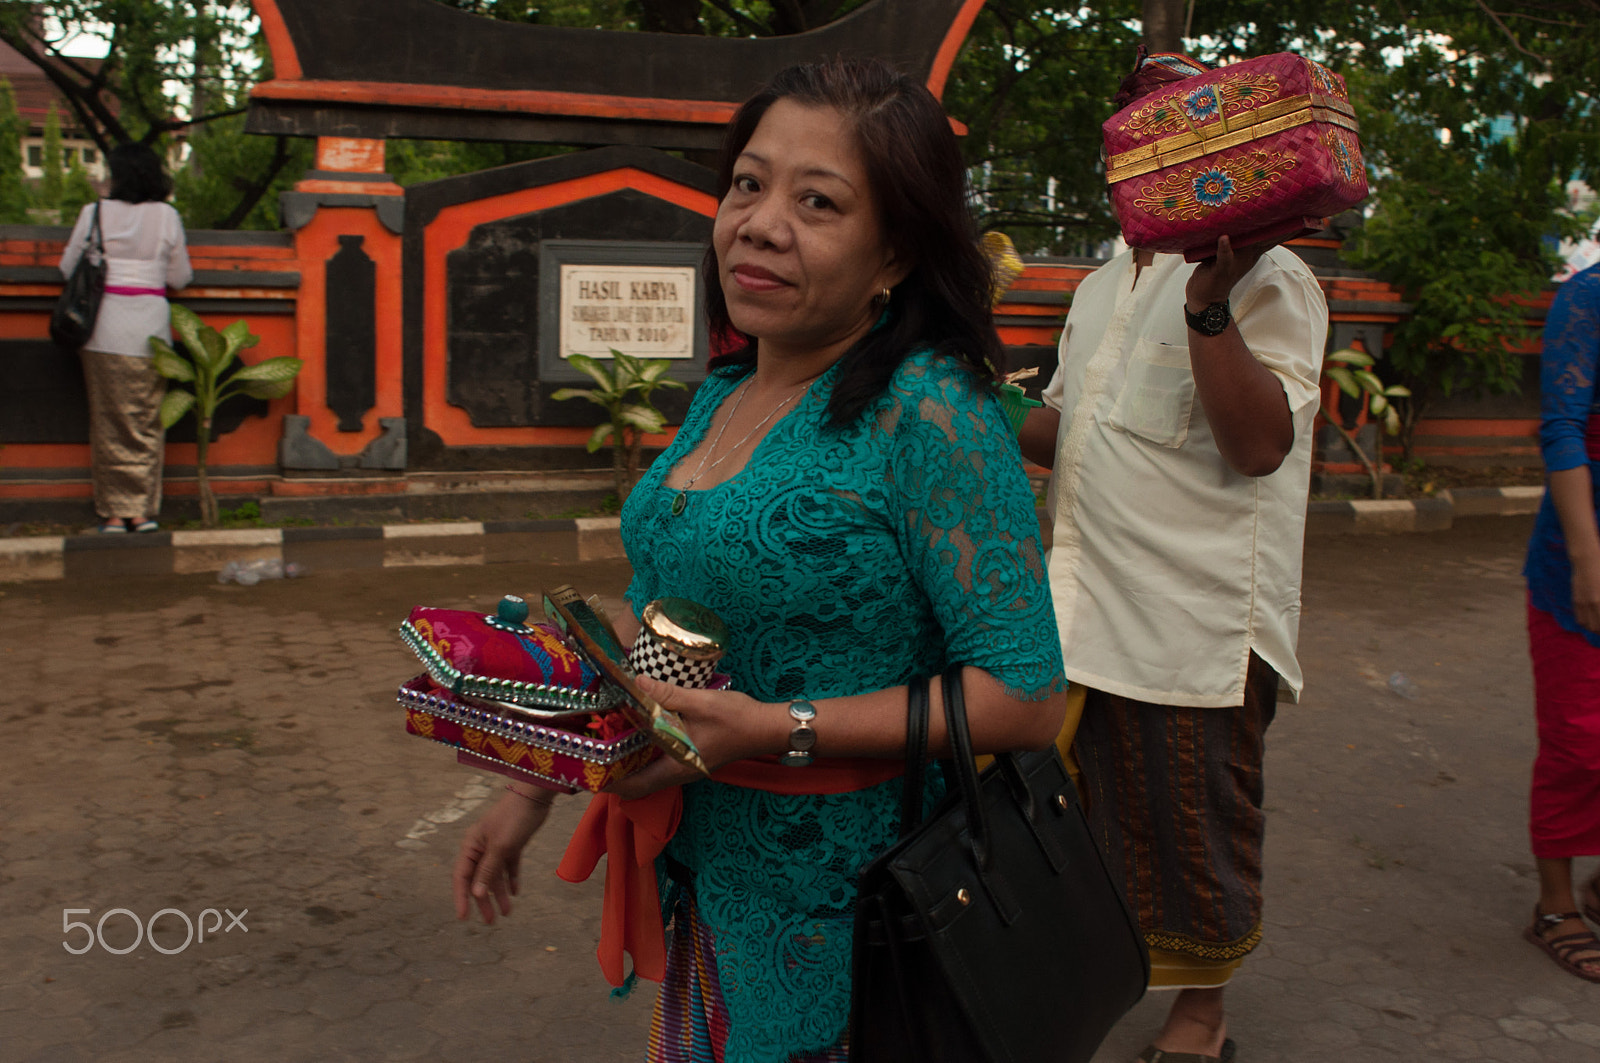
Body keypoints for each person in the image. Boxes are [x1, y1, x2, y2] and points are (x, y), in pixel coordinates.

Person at [452, 58, 1067, 1063]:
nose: (761, 222)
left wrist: (773, 729)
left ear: (895, 253)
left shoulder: (931, 413)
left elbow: (1027, 696)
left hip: (850, 913)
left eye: (816, 201)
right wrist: (536, 781)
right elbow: (673, 620)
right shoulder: (725, 391)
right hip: (707, 875)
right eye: (747, 183)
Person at [1016, 51, 1329, 1063]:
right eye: (1135, 131)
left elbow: (1259, 446)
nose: (1147, 151)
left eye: (1177, 127)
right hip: (1081, 610)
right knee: (1084, 824)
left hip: (1191, 626)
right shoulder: (1102, 283)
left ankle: (1202, 1018)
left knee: (1193, 833)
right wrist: (954, 388)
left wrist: (1209, 301)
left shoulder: (1275, 282)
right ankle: (1097, 982)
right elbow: (1065, 428)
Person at [1521, 260, 1600, 983]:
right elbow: (1564, 427)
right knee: (1579, 740)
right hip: (1581, 559)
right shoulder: (1589, 296)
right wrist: (1586, 560)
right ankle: (1554, 904)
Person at [59, 142, 193, 534]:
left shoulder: (94, 213)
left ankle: (114, 514)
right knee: (147, 420)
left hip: (103, 327)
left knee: (108, 421)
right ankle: (142, 512)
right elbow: (179, 277)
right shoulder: (167, 216)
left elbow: (69, 267)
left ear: (116, 176)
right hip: (149, 328)